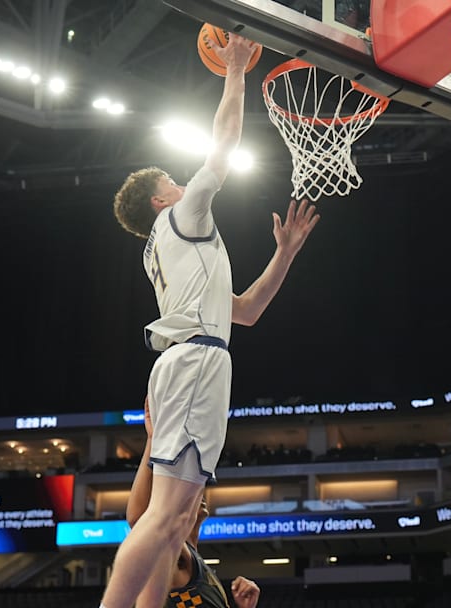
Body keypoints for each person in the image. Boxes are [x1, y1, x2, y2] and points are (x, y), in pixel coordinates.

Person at [104, 32, 319, 608]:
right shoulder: (182, 217)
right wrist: (235, 70)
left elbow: (245, 311)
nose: (183, 181)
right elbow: (222, 148)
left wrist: (286, 253)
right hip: (196, 360)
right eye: (171, 181)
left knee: (172, 525)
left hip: (188, 358)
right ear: (160, 200)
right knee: (163, 519)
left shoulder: (173, 252)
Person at [128, 398, 260, 608]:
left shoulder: (192, 558)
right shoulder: (178, 563)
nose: (200, 490)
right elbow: (139, 521)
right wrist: (153, 440)